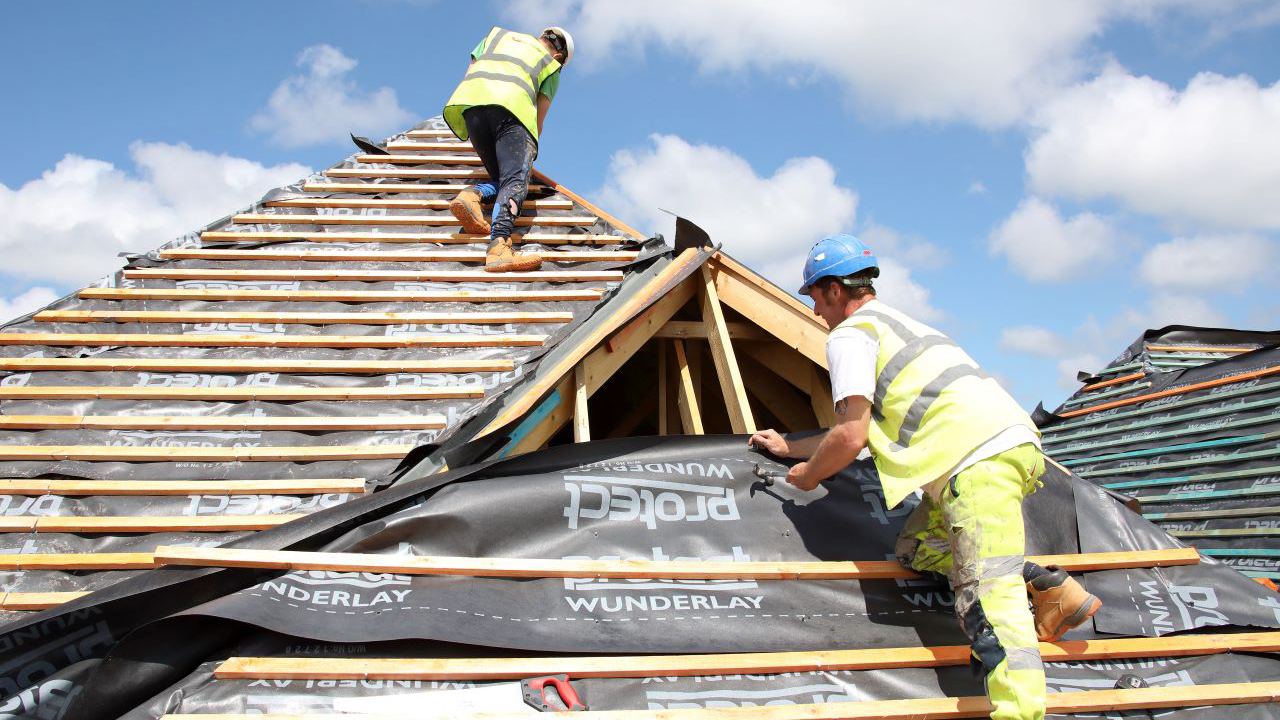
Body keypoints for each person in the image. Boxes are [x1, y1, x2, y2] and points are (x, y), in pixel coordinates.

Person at [748, 234, 1102, 720]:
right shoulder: (899, 324)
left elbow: (850, 437)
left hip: (973, 464)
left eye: (814, 296)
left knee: (988, 603)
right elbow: (862, 430)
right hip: (1003, 449)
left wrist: (807, 476)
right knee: (918, 550)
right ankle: (1049, 586)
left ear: (833, 289)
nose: (814, 311)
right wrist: (790, 447)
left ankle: (1019, 712)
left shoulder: (850, 336)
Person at [443, 25, 574, 272]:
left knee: (503, 180)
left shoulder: (497, 37)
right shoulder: (551, 65)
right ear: (560, 55)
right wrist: (528, 155)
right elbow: (538, 118)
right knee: (515, 180)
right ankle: (499, 247)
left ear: (542, 36)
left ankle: (472, 196)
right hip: (512, 112)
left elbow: (470, 71)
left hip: (471, 106)